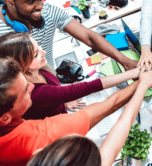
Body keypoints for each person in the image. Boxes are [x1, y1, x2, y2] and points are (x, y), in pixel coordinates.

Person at [0, 57, 152, 166]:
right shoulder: (42, 134)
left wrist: (142, 82)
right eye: (24, 90)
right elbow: (114, 112)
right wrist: (142, 83)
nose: (33, 86)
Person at [0, 0, 137, 70]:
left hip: (50, 79)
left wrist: (124, 60)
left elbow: (88, 36)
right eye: (31, 2)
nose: (40, 7)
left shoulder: (48, 11)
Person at [0, 32, 142, 119]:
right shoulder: (36, 93)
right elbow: (90, 86)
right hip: (58, 127)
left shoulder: (39, 69)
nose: (44, 52)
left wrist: (61, 99)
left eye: (39, 47)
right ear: (20, 66)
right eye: (36, 54)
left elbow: (55, 92)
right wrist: (132, 73)